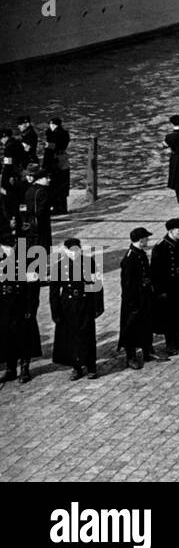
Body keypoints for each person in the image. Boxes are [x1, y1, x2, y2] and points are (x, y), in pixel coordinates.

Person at [50, 237, 103, 380]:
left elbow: (97, 283)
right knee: (71, 337)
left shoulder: (89, 262)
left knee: (87, 335)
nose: (74, 254)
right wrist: (55, 312)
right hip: (68, 306)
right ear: (65, 251)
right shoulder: (59, 266)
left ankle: (91, 366)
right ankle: (76, 367)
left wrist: (99, 305)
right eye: (71, 251)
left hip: (86, 303)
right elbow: (54, 292)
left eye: (77, 250)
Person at [118, 226, 166, 369]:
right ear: (140, 240)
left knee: (146, 324)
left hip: (144, 296)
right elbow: (127, 284)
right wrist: (132, 302)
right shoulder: (129, 258)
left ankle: (148, 351)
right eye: (146, 238)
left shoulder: (140, 253)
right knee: (131, 328)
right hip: (133, 300)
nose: (148, 240)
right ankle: (131, 357)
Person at [0, 230, 42, 383]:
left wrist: (31, 308)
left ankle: (25, 368)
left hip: (21, 303)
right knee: (6, 336)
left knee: (24, 336)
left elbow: (33, 286)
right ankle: (10, 368)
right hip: (4, 304)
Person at [151, 218, 179, 355]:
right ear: (170, 231)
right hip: (168, 287)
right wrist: (160, 291)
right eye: (178, 230)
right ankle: (170, 344)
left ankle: (177, 340)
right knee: (170, 316)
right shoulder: (160, 247)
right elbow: (155, 272)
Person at [43, 116, 71, 215]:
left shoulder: (53, 135)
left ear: (53, 124)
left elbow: (52, 149)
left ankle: (57, 208)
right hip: (62, 160)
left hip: (55, 162)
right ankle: (62, 207)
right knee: (62, 185)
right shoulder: (64, 133)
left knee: (55, 185)